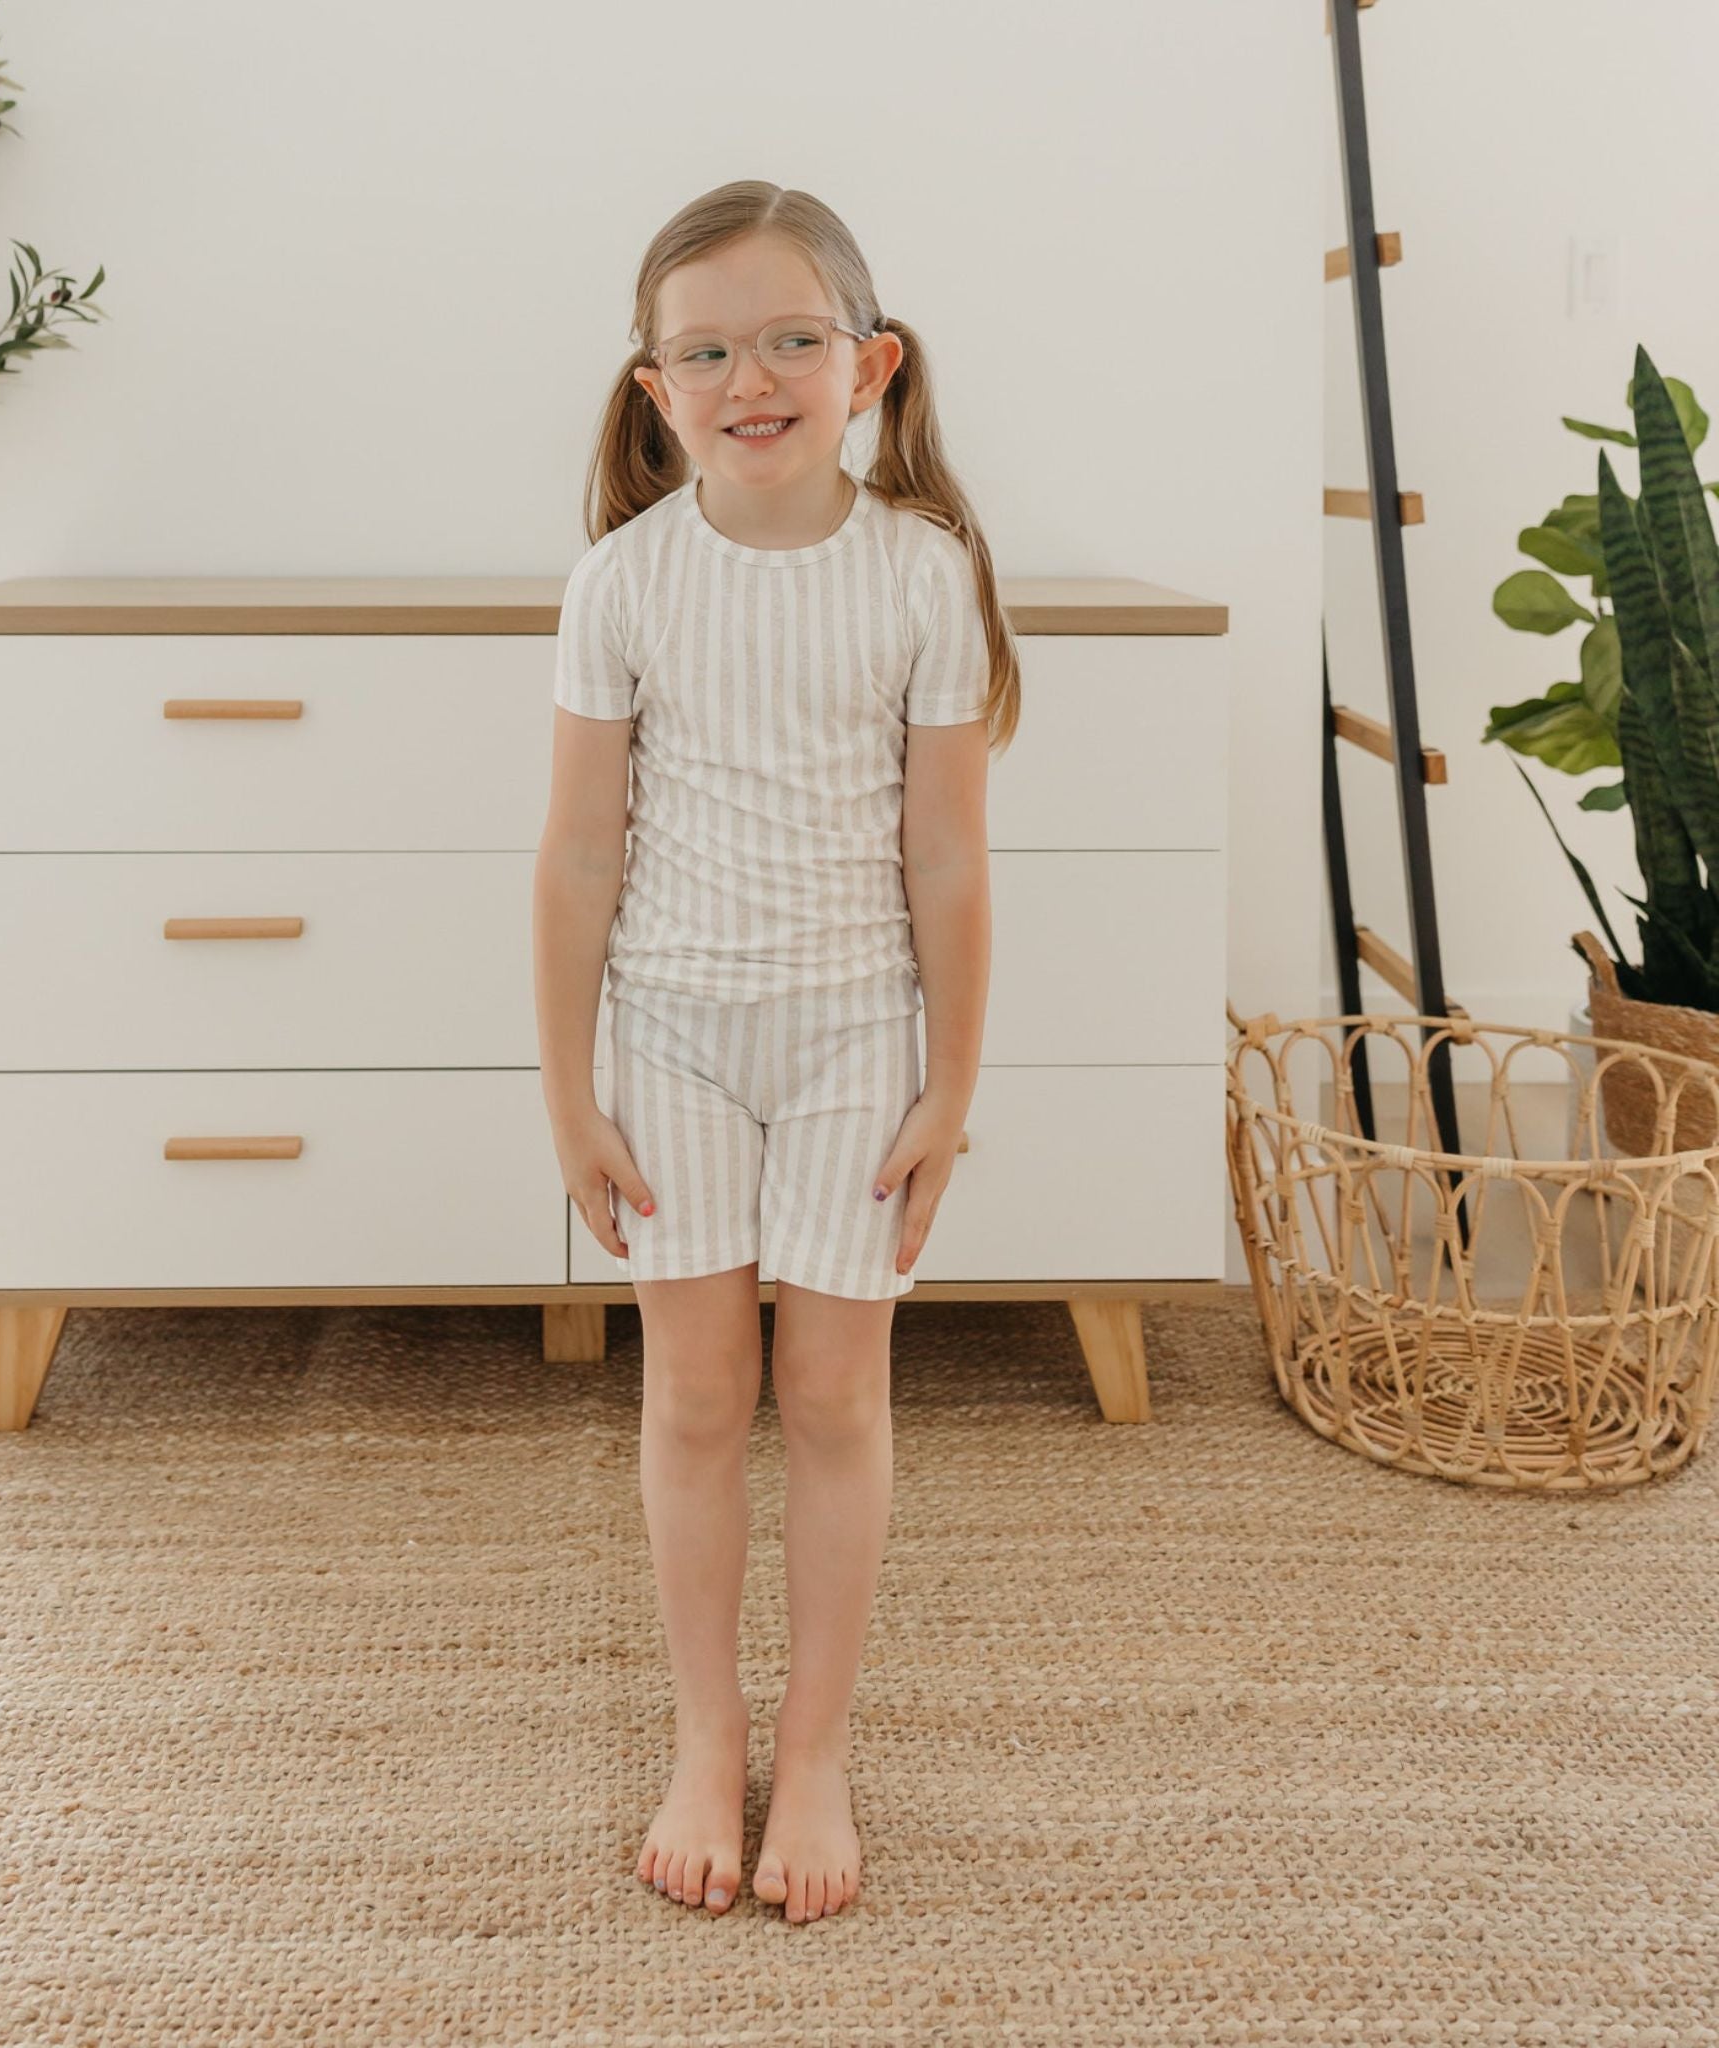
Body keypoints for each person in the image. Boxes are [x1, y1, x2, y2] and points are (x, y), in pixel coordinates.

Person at [532, 179, 1021, 1926]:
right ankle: (706, 1734)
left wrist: (949, 1091)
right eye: (708, 351)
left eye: (791, 340)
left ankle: (812, 1750)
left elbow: (947, 858)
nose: (752, 378)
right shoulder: (621, 584)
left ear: (867, 365)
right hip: (670, 1038)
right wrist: (570, 1095)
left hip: (854, 1047)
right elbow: (579, 857)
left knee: (830, 1397)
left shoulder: (921, 576)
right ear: (655, 389)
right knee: (692, 1398)